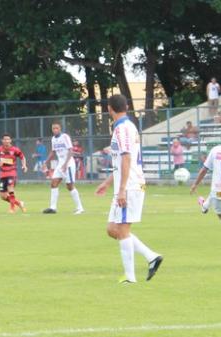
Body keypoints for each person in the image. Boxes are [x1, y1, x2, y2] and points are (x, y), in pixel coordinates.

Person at [95, 94, 163, 284]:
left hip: (130, 185)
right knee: (112, 229)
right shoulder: (127, 127)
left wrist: (122, 189)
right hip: (125, 184)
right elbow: (122, 160)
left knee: (122, 230)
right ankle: (151, 256)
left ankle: (130, 278)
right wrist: (108, 182)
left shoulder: (123, 129)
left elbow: (126, 158)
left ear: (110, 109)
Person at [42, 123, 85, 215]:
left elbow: (70, 150)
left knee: (69, 186)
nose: (55, 130)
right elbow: (53, 152)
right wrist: (46, 162)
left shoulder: (65, 136)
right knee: (54, 183)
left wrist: (65, 164)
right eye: (53, 128)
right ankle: (53, 207)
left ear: (60, 129)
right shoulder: (53, 139)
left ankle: (80, 208)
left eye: (57, 128)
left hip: (68, 164)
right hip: (60, 164)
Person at [0, 134, 28, 213]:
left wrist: (24, 165)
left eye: (8, 139)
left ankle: (12, 208)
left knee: (10, 188)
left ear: (10, 140)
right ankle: (19, 203)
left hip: (11, 172)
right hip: (3, 174)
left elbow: (22, 157)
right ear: (2, 141)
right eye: (5, 139)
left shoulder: (15, 149)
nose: (6, 141)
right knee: (2, 196)